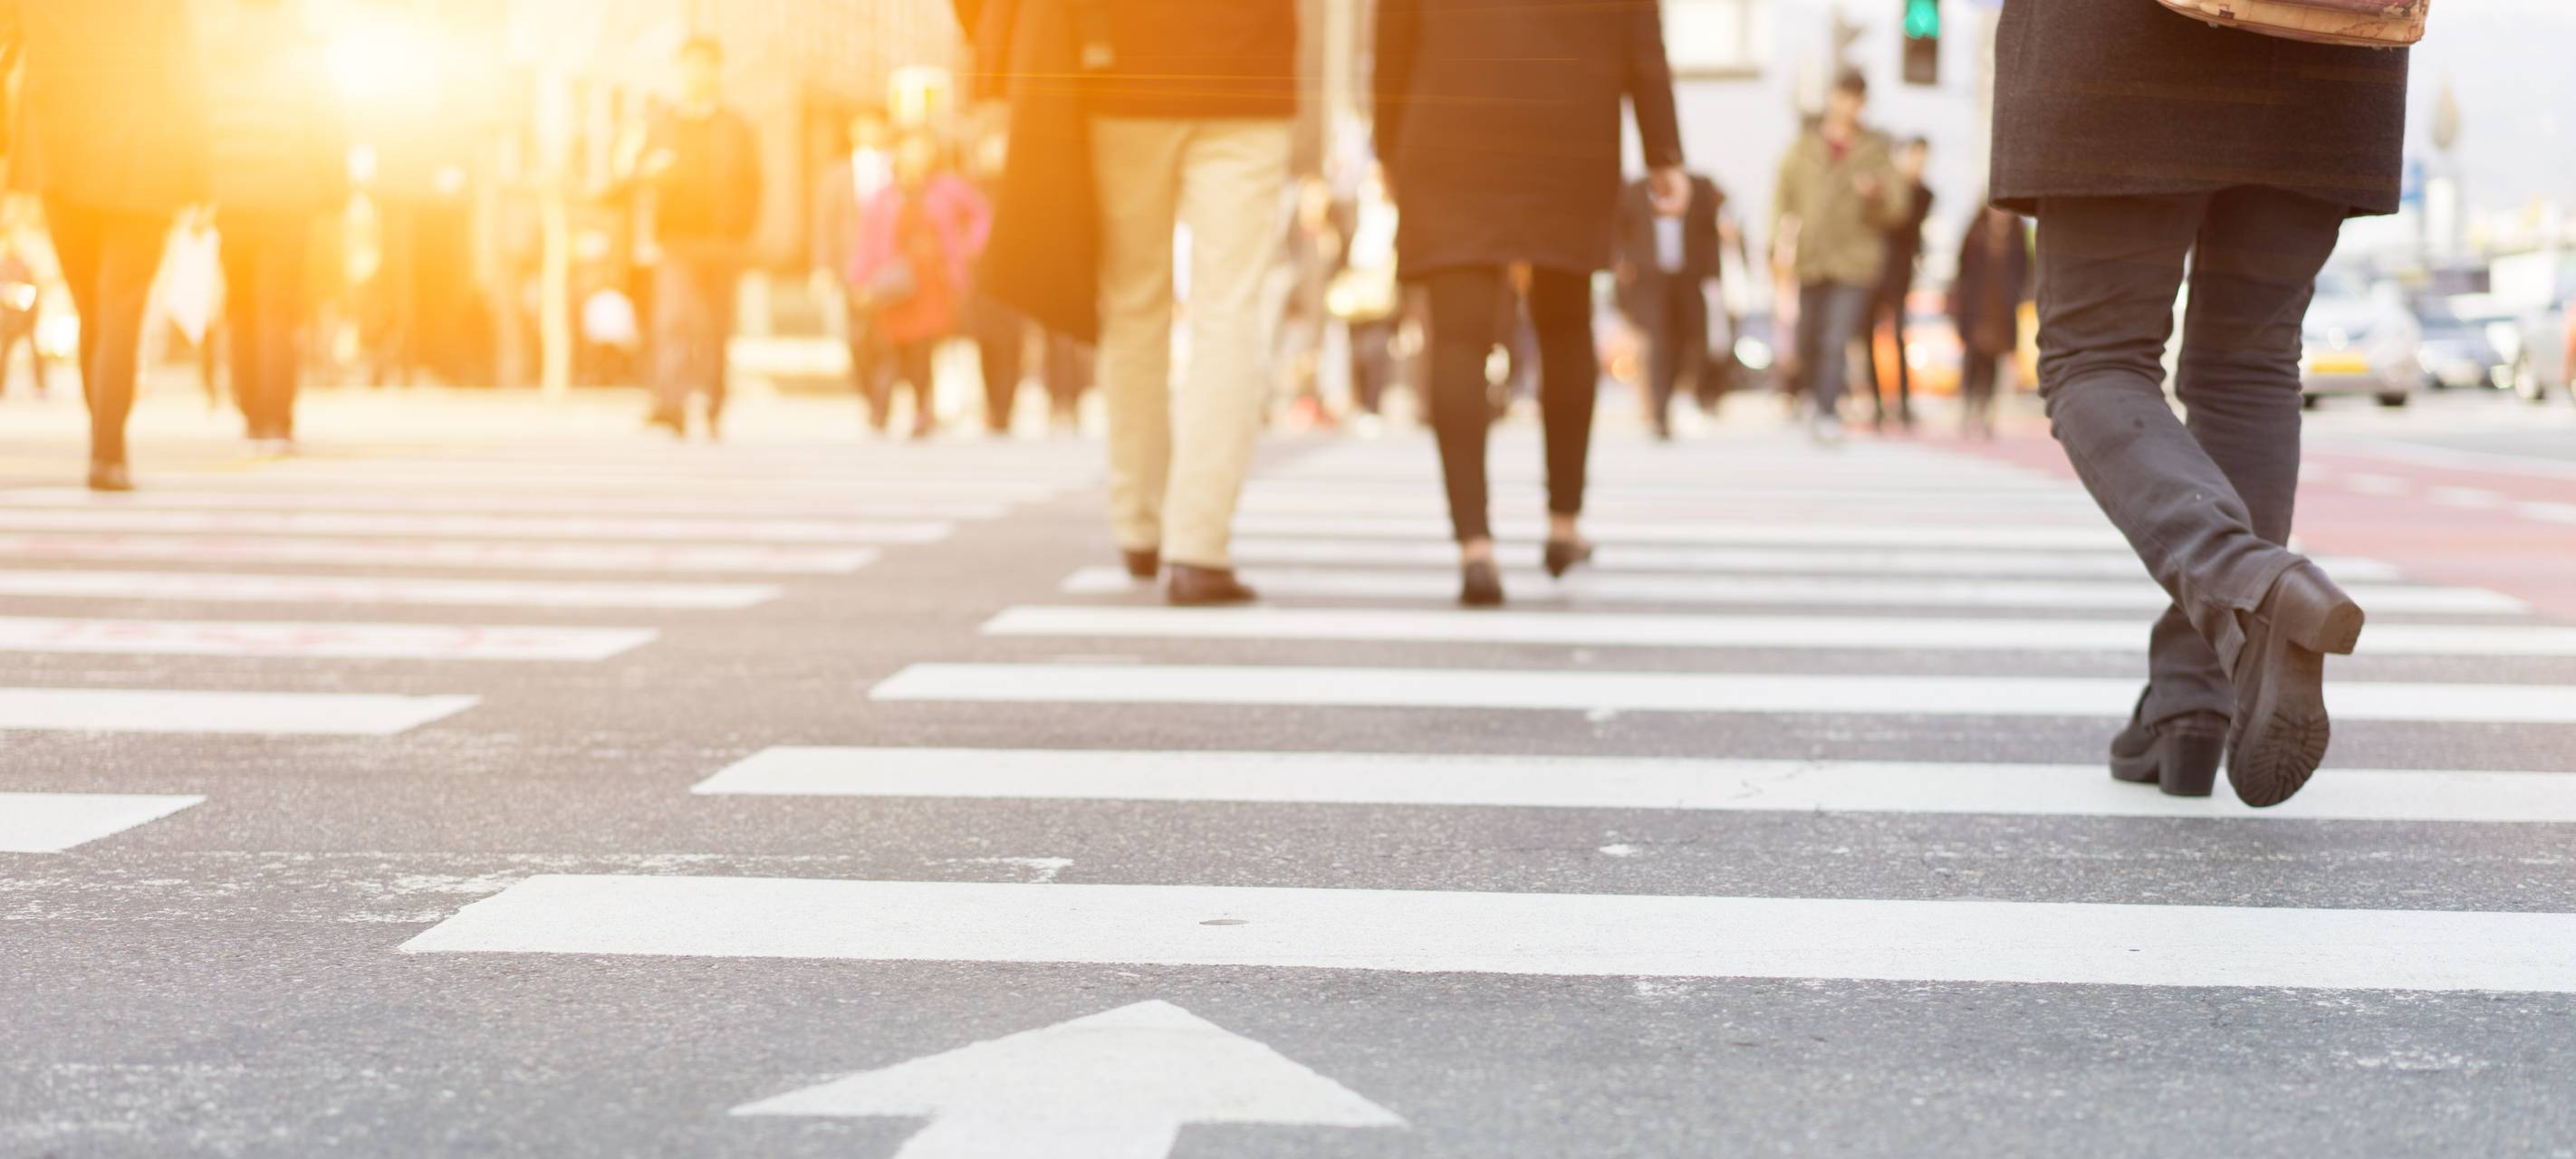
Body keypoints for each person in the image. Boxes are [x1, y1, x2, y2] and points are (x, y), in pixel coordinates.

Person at [1992, 0, 2407, 807]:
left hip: (2121, 44)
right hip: (2323, 40)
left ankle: (2246, 586)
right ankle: (2195, 694)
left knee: (2096, 357)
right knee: (2251, 364)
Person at [1379, 0, 1686, 607]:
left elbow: (1392, 31)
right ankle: (1563, 524)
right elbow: (1640, 37)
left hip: (1449, 130)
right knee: (1566, 327)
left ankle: (1475, 547)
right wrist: (1663, 151)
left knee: (1459, 338)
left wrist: (1387, 144)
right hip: (1566, 128)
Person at [1081, 0, 1299, 607]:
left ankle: (1140, 524)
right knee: (1229, 310)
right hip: (1245, 73)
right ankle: (1197, 547)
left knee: (1132, 302)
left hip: (1121, 68)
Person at [0, 0, 211, 491]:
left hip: (58, 155)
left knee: (92, 306)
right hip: (143, 159)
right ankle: (108, 453)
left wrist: (11, 144)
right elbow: (186, 81)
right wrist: (200, 179)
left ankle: (104, 442)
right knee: (122, 306)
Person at [202, 0, 344, 454]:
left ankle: (251, 416)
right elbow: (327, 130)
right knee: (279, 312)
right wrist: (335, 192)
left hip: (230, 201)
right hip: (286, 200)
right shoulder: (302, 61)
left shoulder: (218, 61)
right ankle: (277, 420)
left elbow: (200, 129)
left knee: (241, 309)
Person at [631, 37, 761, 440]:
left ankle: (711, 401)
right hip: (675, 239)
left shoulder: (736, 125)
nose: (697, 74)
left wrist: (741, 230)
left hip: (722, 241)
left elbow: (754, 183)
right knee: (673, 321)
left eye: (706, 65)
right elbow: (638, 173)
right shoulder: (661, 121)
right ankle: (671, 403)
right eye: (690, 65)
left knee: (715, 327)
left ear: (718, 72)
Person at [1773, 70, 1905, 444]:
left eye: (1856, 98)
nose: (1848, 105)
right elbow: (1781, 196)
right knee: (1808, 337)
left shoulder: (1876, 149)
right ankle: (1810, 400)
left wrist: (1876, 195)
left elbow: (1898, 207)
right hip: (1811, 255)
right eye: (1842, 96)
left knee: (1836, 337)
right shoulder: (1804, 146)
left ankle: (1828, 410)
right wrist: (1776, 241)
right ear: (1831, 98)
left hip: (1855, 260)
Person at [849, 131, 991, 441]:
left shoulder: (947, 189)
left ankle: (921, 410)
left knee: (923, 349)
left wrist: (967, 249)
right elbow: (866, 243)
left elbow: (982, 214)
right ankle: (880, 409)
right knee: (891, 350)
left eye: (920, 150)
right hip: (894, 285)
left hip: (930, 283)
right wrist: (860, 280)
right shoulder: (883, 197)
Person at [1616, 169, 1725, 441]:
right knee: (1658, 343)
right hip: (1650, 280)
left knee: (1687, 341)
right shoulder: (1636, 190)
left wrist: (1712, 276)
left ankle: (1683, 394)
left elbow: (1709, 233)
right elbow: (1621, 233)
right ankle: (1659, 411)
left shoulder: (1697, 188)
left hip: (1688, 279)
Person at [812, 107, 896, 431]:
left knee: (888, 338)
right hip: (851, 268)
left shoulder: (898, 168)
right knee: (857, 338)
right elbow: (825, 224)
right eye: (865, 125)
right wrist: (822, 267)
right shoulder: (837, 174)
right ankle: (868, 393)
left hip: (890, 268)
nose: (871, 131)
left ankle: (882, 402)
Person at [1860, 136, 1934, 432]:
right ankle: (1876, 404)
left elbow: (1905, 222)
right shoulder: (1886, 187)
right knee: (1867, 335)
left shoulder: (1924, 194)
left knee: (1900, 334)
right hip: (1873, 269)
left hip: (1900, 271)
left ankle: (1903, 402)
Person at [1948, 205, 2028, 440]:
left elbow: (2024, 266)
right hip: (1976, 305)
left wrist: (2017, 293)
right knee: (1973, 359)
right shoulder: (1976, 229)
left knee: (1993, 362)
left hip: (2001, 307)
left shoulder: (2017, 232)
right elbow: (1962, 265)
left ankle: (1986, 412)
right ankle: (1968, 407)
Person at [0, 247, 46, 398]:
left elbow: (35, 292)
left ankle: (40, 386)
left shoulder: (24, 267)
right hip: (9, 321)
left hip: (25, 320)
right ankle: (1, 387)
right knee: (4, 355)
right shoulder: (4, 266)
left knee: (35, 353)